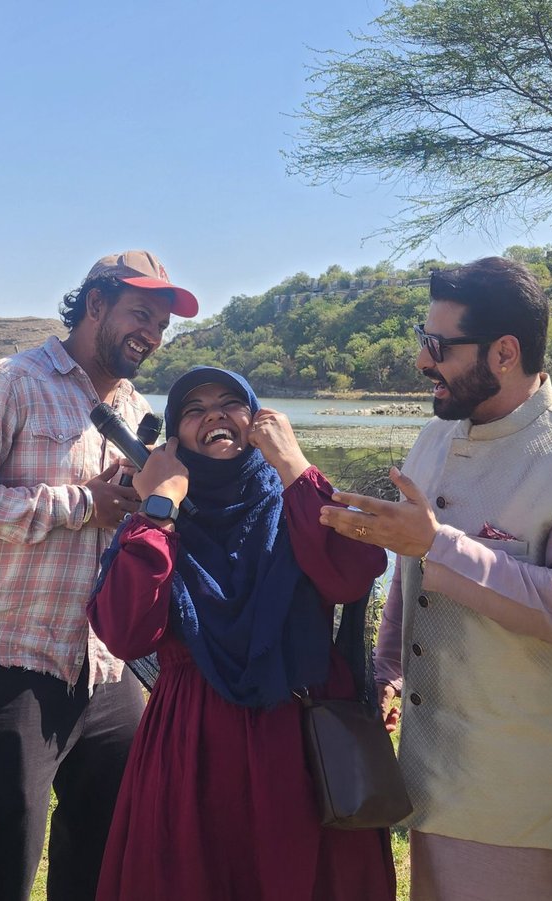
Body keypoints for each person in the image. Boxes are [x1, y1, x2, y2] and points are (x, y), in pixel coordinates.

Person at [319, 257, 552, 900]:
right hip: (433, 773)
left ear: (505, 353)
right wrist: (387, 668)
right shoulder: (435, 437)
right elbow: (411, 572)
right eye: (422, 340)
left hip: (526, 791)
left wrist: (438, 544)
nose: (422, 361)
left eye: (438, 346)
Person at [0, 250, 197, 901]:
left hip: (105, 667)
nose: (152, 334)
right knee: (3, 865)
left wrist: (139, 505)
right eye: (141, 314)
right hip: (9, 660)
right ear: (96, 303)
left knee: (104, 853)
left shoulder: (135, 407)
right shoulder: (10, 381)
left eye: (161, 324)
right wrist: (80, 504)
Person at [85, 366, 396, 901]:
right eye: (193, 409)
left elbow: (352, 573)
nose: (213, 415)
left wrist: (294, 465)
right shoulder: (159, 516)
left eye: (230, 402)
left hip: (304, 738)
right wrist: (159, 508)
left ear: (256, 419)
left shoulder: (296, 498)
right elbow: (126, 632)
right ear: (176, 439)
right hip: (194, 743)